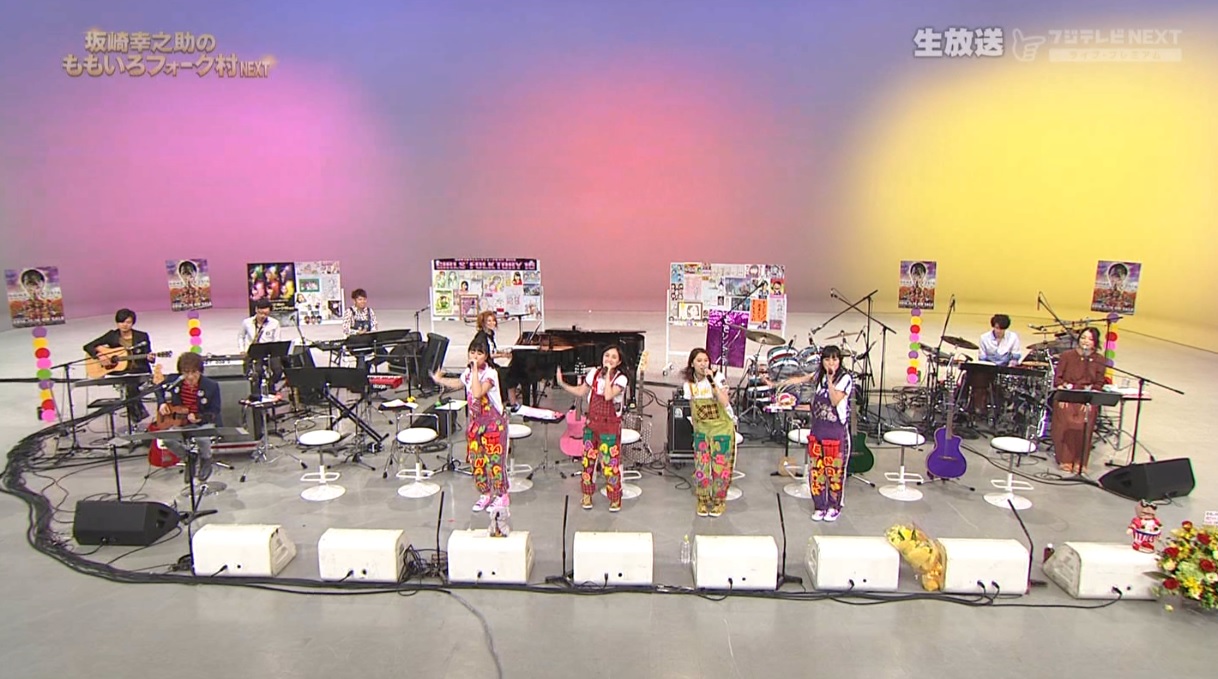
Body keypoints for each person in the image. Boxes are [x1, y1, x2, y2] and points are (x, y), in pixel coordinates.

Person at [772, 346, 853, 521]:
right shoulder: (819, 376)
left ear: (840, 361)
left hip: (836, 433)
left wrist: (830, 380)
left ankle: (834, 506)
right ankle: (819, 505)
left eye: (834, 359)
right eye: (827, 359)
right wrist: (776, 385)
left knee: (834, 472)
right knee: (816, 471)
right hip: (818, 431)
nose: (831, 363)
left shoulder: (844, 379)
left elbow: (834, 400)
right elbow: (799, 379)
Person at [432, 338, 510, 513]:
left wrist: (474, 371)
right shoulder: (468, 373)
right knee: (477, 461)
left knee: (495, 462)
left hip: (493, 426)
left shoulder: (490, 374)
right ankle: (485, 493)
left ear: (486, 356)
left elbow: (477, 392)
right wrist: (440, 380)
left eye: (479, 353)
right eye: (472, 352)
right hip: (475, 424)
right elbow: (459, 383)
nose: (474, 356)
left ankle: (502, 496)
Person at [556, 345, 631, 512]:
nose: (609, 359)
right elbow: (580, 391)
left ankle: (615, 497)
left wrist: (609, 374)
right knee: (587, 462)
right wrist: (562, 384)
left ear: (619, 362)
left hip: (609, 427)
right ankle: (587, 494)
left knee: (610, 464)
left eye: (613, 357)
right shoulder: (594, 373)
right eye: (607, 355)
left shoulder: (621, 379)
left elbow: (608, 396)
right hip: (591, 425)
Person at [682, 348, 738, 518]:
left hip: (721, 430)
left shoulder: (718, 378)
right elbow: (693, 409)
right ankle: (703, 500)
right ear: (692, 363)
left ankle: (719, 501)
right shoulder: (689, 385)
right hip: (702, 432)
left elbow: (724, 401)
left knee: (721, 470)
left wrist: (712, 381)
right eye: (699, 361)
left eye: (705, 360)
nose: (703, 364)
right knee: (701, 468)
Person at [154, 352, 223, 481]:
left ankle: (206, 460)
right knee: (167, 439)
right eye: (186, 372)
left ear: (200, 371)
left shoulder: (211, 385)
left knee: (201, 438)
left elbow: (215, 410)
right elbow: (158, 388)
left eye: (194, 372)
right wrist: (161, 403)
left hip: (203, 421)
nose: (190, 377)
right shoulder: (175, 381)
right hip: (181, 422)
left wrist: (199, 417)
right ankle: (188, 458)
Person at [1050, 327, 1108, 474]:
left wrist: (1090, 399)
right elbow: (1058, 378)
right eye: (1083, 338)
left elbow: (1099, 383)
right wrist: (1063, 393)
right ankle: (1065, 459)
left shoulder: (1100, 360)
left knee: (1085, 420)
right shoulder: (1067, 356)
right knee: (1066, 417)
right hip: (1068, 394)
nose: (1085, 341)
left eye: (1089, 339)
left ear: (1095, 342)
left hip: (1087, 396)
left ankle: (1080, 461)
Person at [83, 308, 156, 425]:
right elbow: (88, 346)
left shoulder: (142, 336)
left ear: (133, 323)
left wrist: (150, 358)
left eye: (128, 322)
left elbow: (148, 354)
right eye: (121, 322)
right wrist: (99, 355)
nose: (124, 325)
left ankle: (136, 416)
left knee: (131, 385)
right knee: (129, 384)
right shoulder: (112, 335)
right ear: (117, 323)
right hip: (119, 371)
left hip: (138, 370)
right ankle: (138, 414)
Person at [967, 314, 1022, 416]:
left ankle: (1004, 408)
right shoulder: (984, 338)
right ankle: (979, 408)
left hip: (1005, 369)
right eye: (997, 328)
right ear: (993, 326)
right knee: (976, 377)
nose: (999, 331)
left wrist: (1010, 366)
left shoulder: (1013, 337)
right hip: (988, 369)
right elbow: (982, 358)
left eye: (1002, 329)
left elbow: (1015, 356)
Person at [473, 310, 519, 406]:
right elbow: (487, 355)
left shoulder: (490, 335)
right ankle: (507, 402)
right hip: (484, 366)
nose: (492, 323)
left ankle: (512, 402)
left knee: (512, 373)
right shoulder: (481, 338)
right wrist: (502, 355)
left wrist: (504, 353)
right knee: (508, 375)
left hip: (491, 364)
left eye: (493, 320)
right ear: (483, 323)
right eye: (489, 321)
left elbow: (493, 350)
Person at [238, 299, 282, 396]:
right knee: (257, 371)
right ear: (256, 310)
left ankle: (271, 385)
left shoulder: (275, 323)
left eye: (266, 314)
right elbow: (241, 336)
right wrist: (242, 350)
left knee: (278, 370)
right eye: (261, 313)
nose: (263, 316)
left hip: (269, 351)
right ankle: (256, 393)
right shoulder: (247, 322)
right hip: (254, 351)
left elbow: (277, 340)